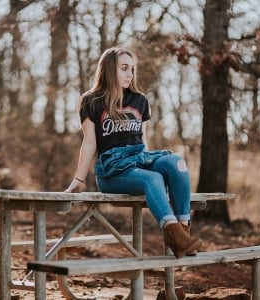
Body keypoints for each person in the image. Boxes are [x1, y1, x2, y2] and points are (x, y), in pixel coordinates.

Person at [64, 47, 201, 258]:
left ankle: (183, 231)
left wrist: (147, 163)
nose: (130, 74)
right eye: (124, 68)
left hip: (138, 160)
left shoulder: (140, 100)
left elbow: (142, 141)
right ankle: (174, 234)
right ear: (110, 70)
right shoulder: (91, 101)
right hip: (112, 172)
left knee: (177, 162)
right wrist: (79, 179)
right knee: (153, 178)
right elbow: (90, 142)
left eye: (132, 69)